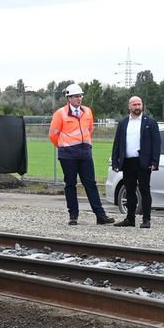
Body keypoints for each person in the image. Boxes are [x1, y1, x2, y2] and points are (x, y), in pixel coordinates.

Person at [48, 84, 115, 226]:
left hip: (85, 153)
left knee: (91, 184)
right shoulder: (60, 113)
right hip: (68, 154)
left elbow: (90, 129)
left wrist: (85, 144)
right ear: (69, 98)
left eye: (80, 96)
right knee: (70, 184)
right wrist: (64, 146)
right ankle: (73, 215)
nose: (79, 99)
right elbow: (53, 134)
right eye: (76, 96)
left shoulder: (88, 112)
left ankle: (100, 216)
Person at [110, 96, 161, 228]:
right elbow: (117, 144)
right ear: (129, 106)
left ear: (142, 106)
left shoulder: (150, 122)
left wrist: (155, 162)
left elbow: (156, 144)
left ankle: (146, 219)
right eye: (134, 105)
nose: (137, 107)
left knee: (144, 190)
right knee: (130, 190)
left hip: (143, 162)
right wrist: (115, 162)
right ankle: (130, 219)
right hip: (127, 162)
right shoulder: (123, 123)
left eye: (139, 104)